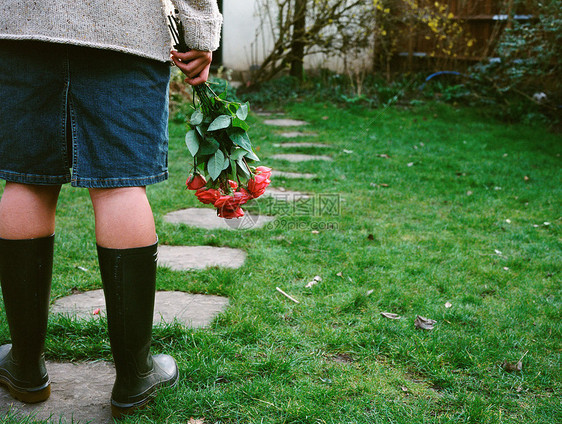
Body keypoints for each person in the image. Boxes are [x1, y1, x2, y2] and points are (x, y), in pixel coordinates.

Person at [0, 0, 222, 418]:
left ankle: (26, 367)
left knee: (25, 181)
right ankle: (135, 375)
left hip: (20, 26)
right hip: (124, 29)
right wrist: (200, 33)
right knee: (120, 187)